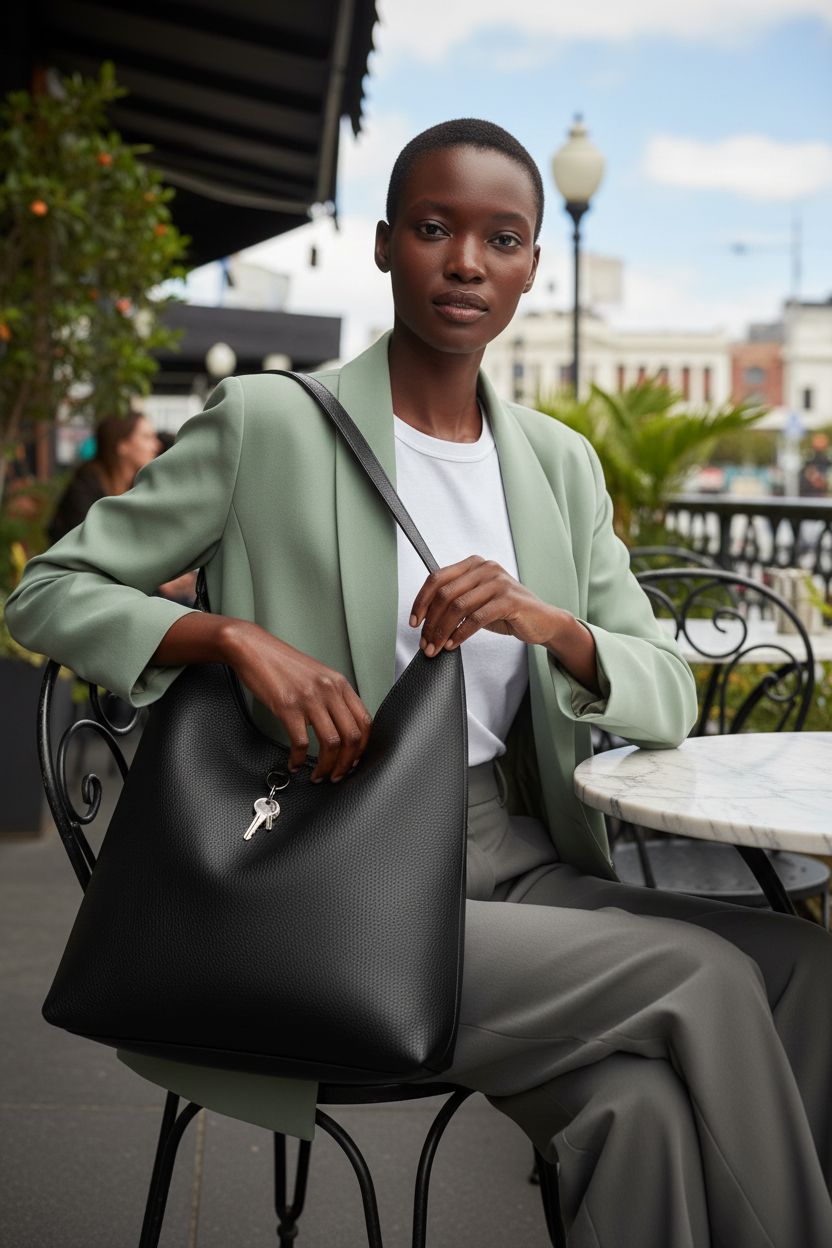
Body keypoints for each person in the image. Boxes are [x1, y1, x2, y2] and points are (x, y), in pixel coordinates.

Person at [7, 120, 832, 1247]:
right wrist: (230, 638)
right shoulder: (268, 424)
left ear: (532, 267)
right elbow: (47, 591)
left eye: (501, 239)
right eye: (436, 230)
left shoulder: (558, 465)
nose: (465, 262)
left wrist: (555, 627)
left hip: (521, 862)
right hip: (330, 881)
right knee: (708, 977)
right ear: (389, 245)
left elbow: (665, 691)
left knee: (779, 985)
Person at [48, 409, 161, 543]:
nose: (156, 446)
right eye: (147, 437)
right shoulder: (85, 488)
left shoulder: (139, 485)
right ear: (122, 445)